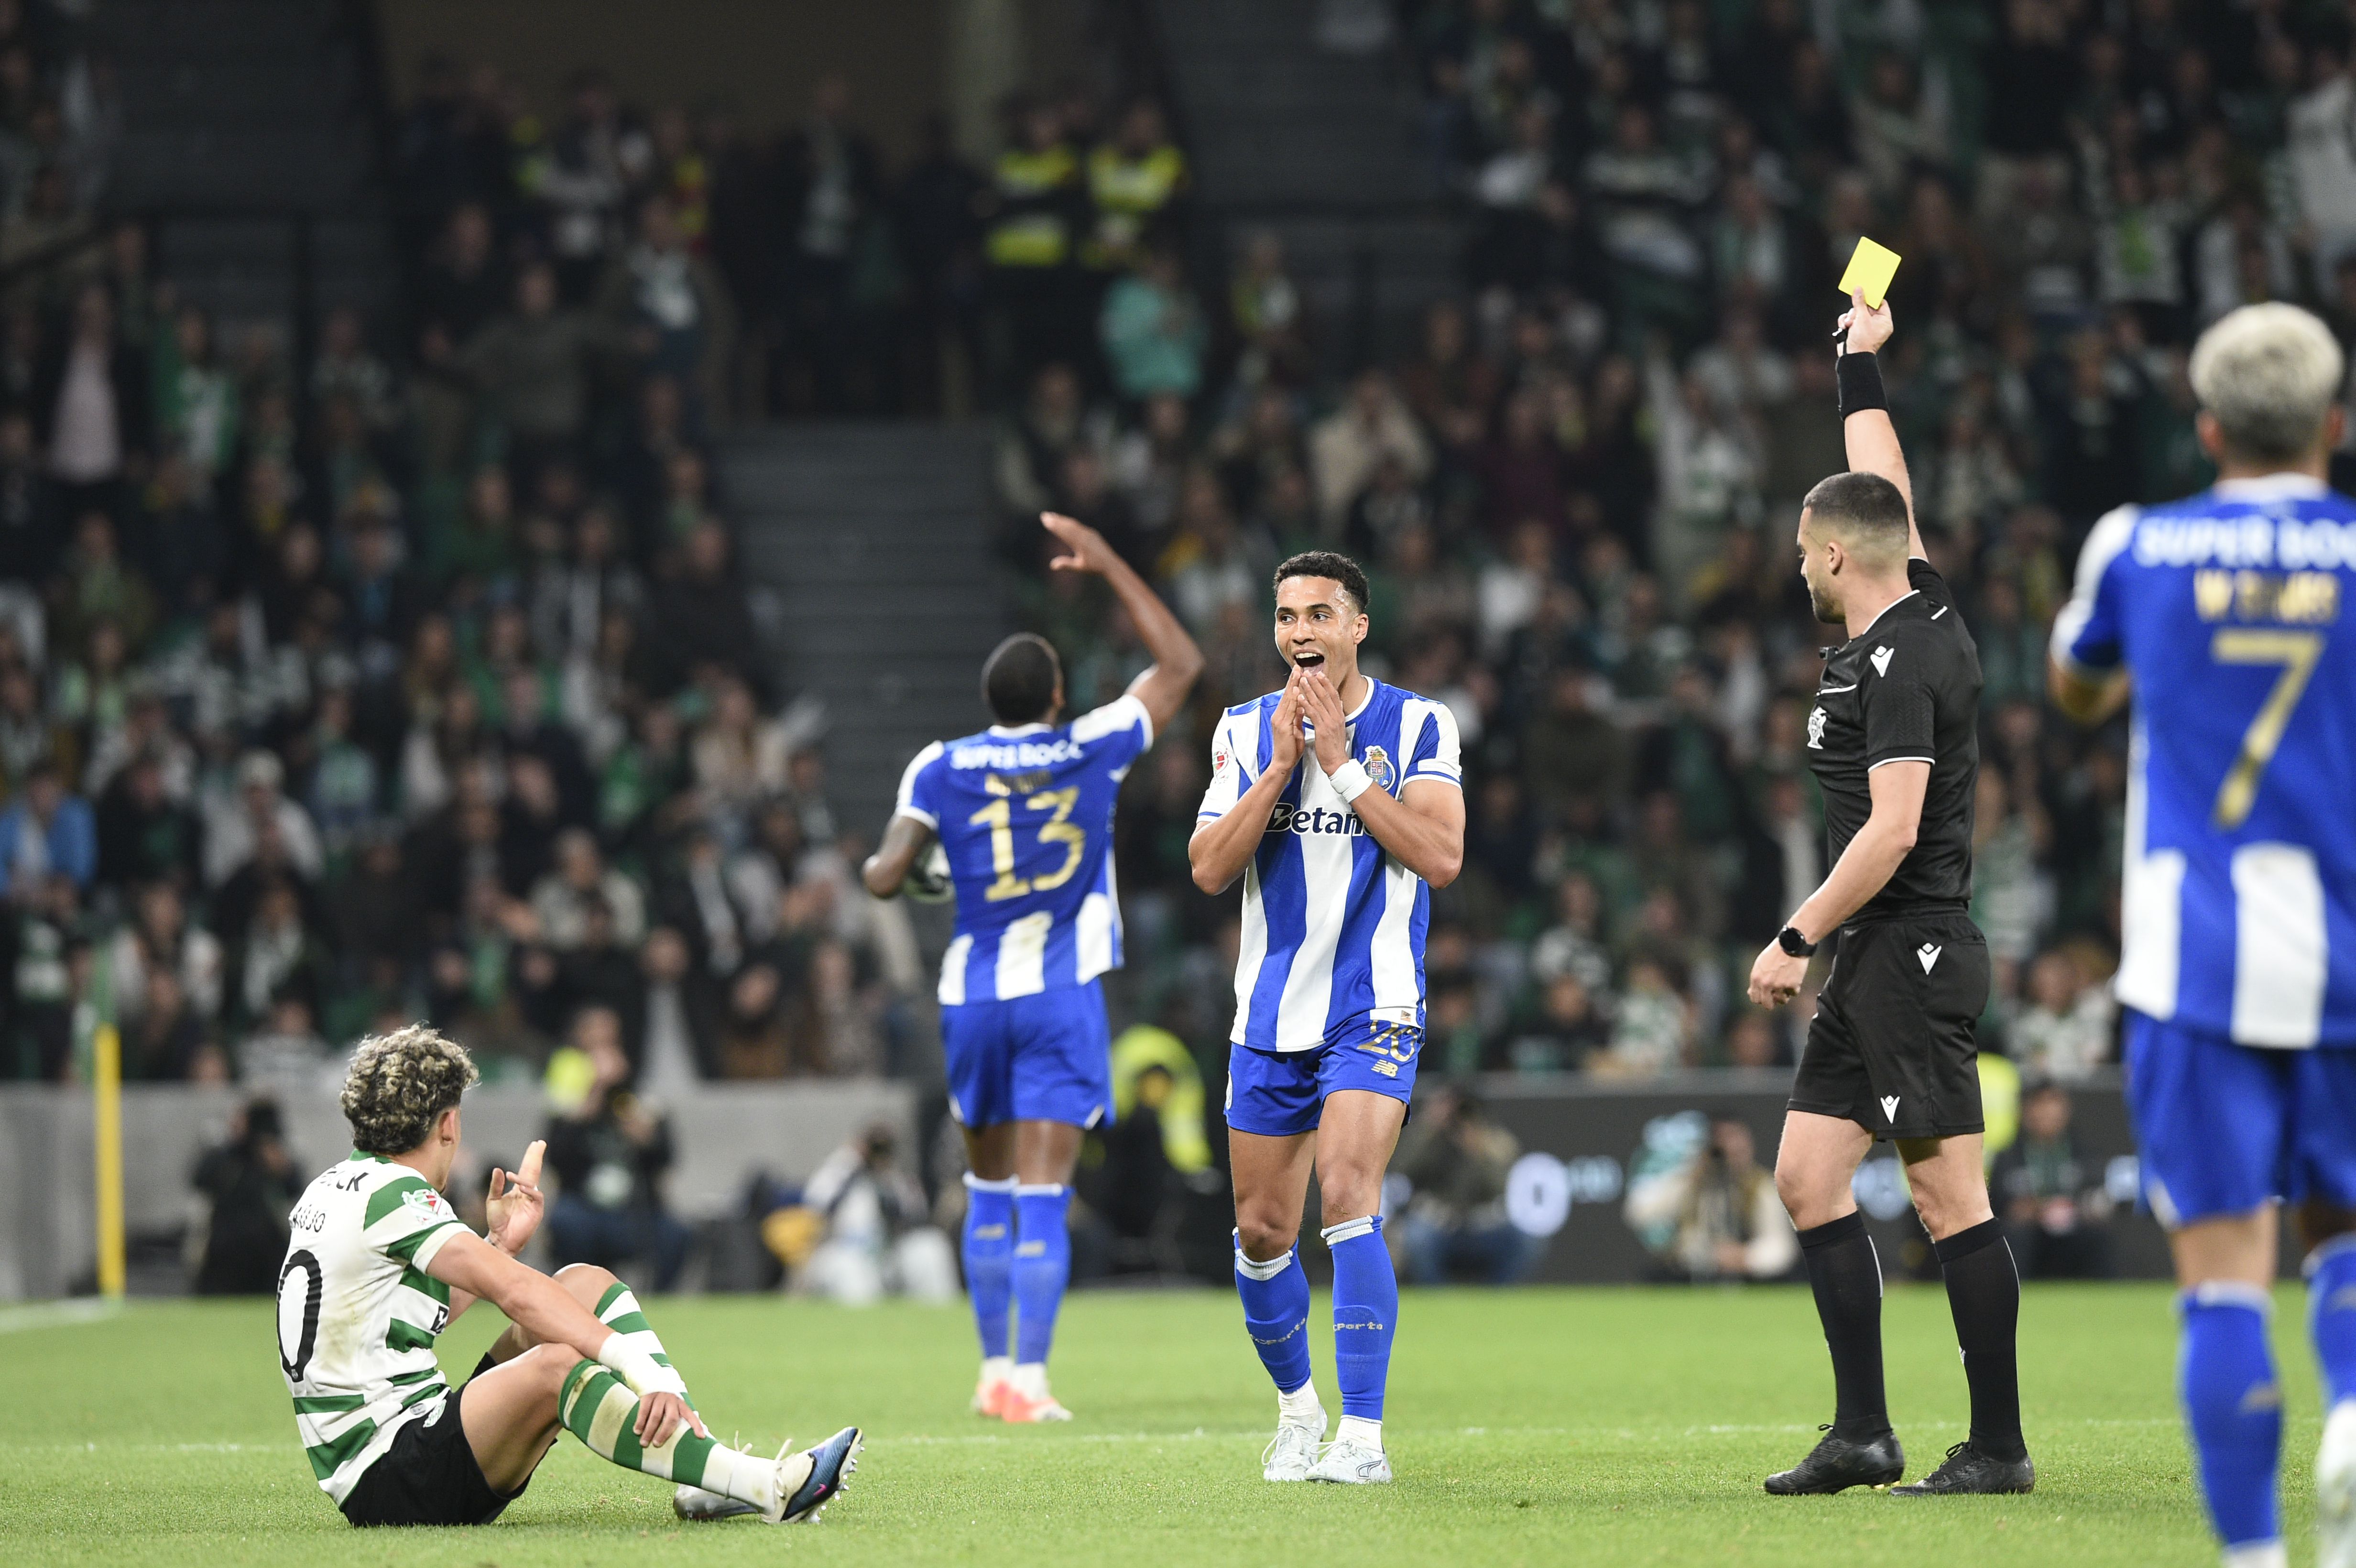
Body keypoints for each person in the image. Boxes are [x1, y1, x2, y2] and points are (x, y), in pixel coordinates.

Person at [2049, 300, 2356, 1568]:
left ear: (2208, 426)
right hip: (2349, 955)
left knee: (2224, 1270)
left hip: (2198, 959)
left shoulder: (2137, 546)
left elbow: (2074, 685)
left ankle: (2255, 1558)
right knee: (2344, 1236)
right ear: (2335, 428)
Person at [1745, 293, 2031, 1496]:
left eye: (1809, 551)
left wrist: (1795, 931)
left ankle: (1999, 1446)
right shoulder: (1903, 601)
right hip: (1873, 956)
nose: (1800, 566)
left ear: (1839, 558)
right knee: (1809, 1175)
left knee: (1943, 1188)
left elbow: (1898, 827)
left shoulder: (1906, 661)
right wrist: (1859, 365)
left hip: (1906, 939)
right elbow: (1885, 476)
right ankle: (1864, 1430)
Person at [862, 511, 1201, 1423]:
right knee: (1047, 1197)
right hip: (1058, 997)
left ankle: (987, 1374)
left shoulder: (940, 766)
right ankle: (1031, 1381)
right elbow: (1180, 667)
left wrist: (927, 871)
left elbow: (885, 874)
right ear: (1055, 696)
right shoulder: (1089, 747)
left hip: (972, 997)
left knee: (986, 1189)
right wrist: (1110, 566)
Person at [277, 1025, 859, 1529]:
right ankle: (768, 1487)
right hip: (392, 1473)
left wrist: (497, 1244)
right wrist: (639, 1367)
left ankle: (700, 1472)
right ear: (448, 1123)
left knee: (583, 1282)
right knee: (555, 1365)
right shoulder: (396, 1193)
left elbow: (399, 1322)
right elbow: (517, 1292)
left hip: (398, 1453)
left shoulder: (336, 1188)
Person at [1188, 549, 1466, 1485]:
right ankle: (1299, 1411)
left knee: (1347, 1195)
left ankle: (1363, 1437)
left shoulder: (1420, 723)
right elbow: (1207, 866)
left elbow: (1439, 855)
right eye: (1285, 616)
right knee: (1264, 1231)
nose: (1299, 632)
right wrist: (1278, 770)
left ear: (1358, 626)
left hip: (1373, 1002)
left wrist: (1343, 768)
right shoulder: (1239, 729)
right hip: (1268, 1014)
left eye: (1319, 613)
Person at [1623, 1115, 1798, 1282]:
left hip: (1749, 1277)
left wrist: (1744, 1258)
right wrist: (1691, 1175)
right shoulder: (1692, 1183)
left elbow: (1780, 1248)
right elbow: (1639, 1212)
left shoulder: (1759, 1187)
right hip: (1690, 1274)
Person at [1393, 1086, 1537, 1285]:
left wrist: (1477, 1149)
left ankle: (1498, 1299)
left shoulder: (1495, 1141)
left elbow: (1500, 1187)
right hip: (1439, 1223)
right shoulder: (1432, 1139)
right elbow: (1403, 1169)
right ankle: (1437, 1300)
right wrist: (1430, 1126)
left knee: (1525, 1240)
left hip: (1482, 1225)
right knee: (1417, 1237)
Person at [1990, 1080, 2113, 1281]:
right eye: (2040, 1105)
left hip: (2074, 1227)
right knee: (2014, 1237)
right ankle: (2014, 1292)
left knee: (2096, 1236)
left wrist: (2076, 1209)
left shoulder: (2084, 1153)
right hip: (2030, 1231)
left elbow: (2099, 1199)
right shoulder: (2008, 1156)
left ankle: (2102, 1297)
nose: (2048, 1113)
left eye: (2054, 1105)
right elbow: (1996, 1205)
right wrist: (2031, 1210)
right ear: (2027, 1111)